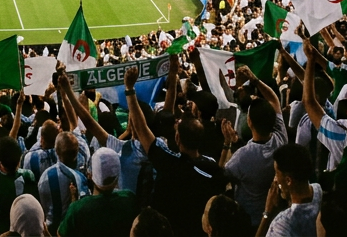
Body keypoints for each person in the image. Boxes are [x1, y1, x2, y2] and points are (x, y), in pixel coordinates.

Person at [124, 66, 225, 237]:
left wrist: (130, 90)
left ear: (177, 140)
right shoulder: (212, 168)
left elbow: (141, 129)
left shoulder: (168, 162)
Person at [219, 66, 286, 227]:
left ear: (249, 123)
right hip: (276, 217)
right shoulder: (281, 137)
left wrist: (227, 143)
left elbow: (220, 174)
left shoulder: (242, 157)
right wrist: (254, 79)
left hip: (251, 220)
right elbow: (274, 100)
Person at [57, 148, 137, 236]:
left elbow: (61, 234)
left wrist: (73, 200)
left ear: (90, 175)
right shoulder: (129, 199)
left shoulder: (77, 209)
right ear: (117, 176)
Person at [257, 144, 320, 237]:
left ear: (288, 180)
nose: (275, 179)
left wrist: (267, 213)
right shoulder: (319, 190)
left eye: (276, 173)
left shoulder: (281, 224)